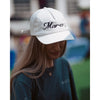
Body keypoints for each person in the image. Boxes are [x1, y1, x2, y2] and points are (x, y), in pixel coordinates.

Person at [10, 7, 78, 100]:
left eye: (61, 40)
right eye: (51, 41)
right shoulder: (23, 80)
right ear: (37, 43)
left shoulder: (64, 64)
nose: (57, 47)